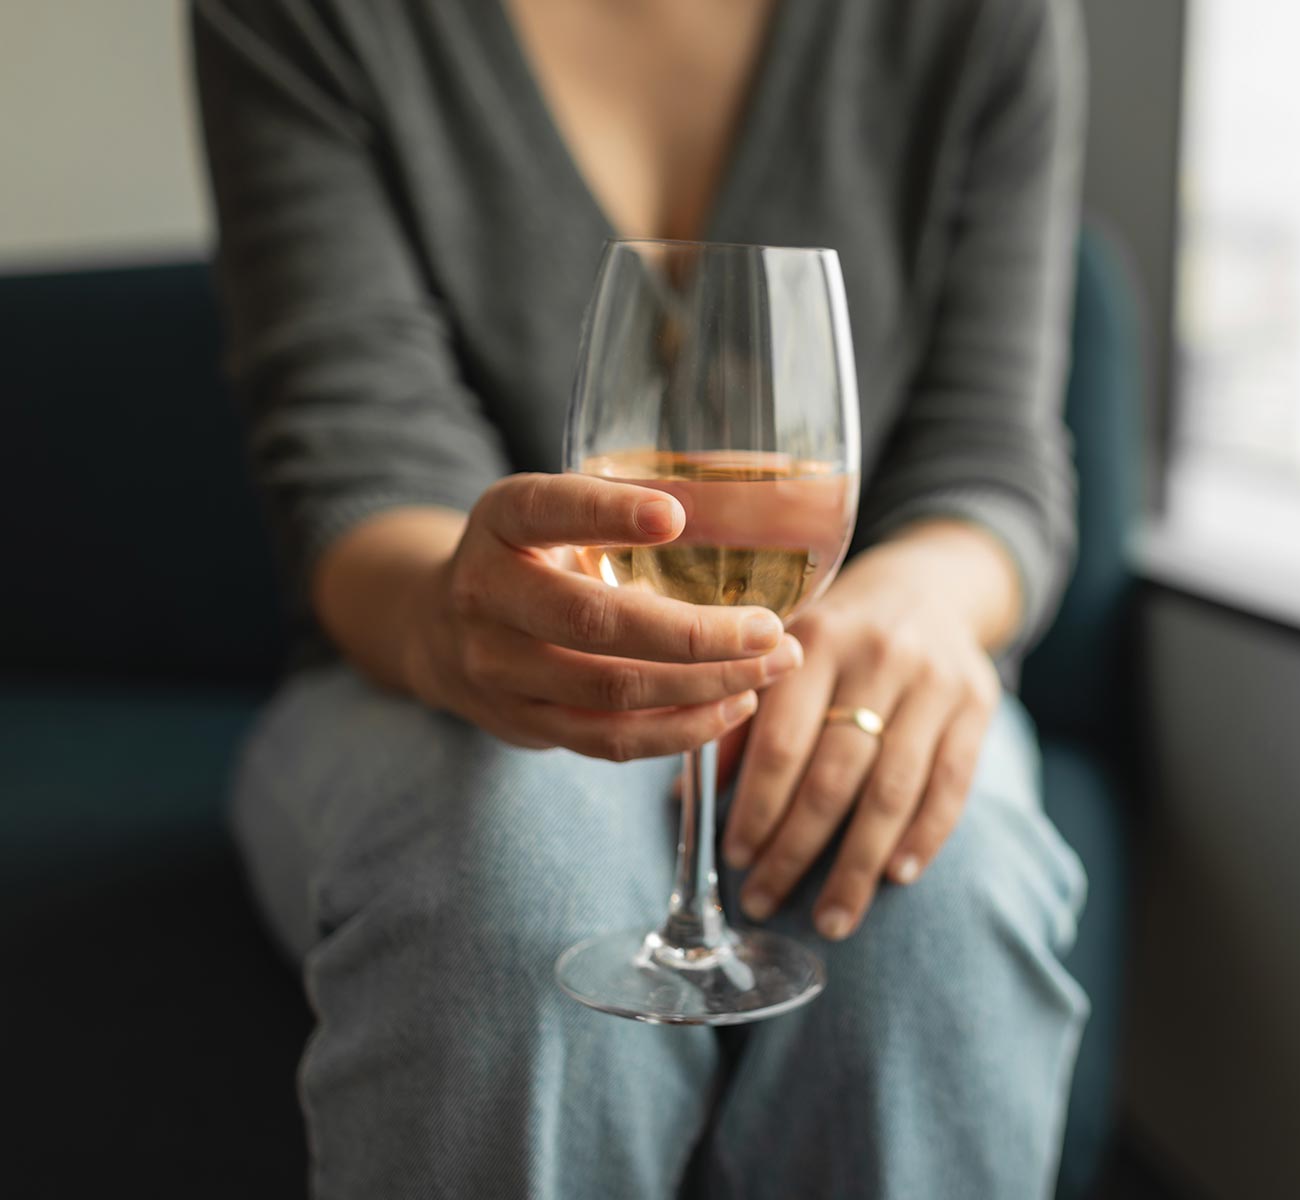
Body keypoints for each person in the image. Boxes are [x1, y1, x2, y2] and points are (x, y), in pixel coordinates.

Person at [192, 0, 1089, 1196]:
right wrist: (462, 625)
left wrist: (912, 602)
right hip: (410, 672)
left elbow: (993, 454)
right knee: (510, 896)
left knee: (941, 904)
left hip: (836, 653)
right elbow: (352, 458)